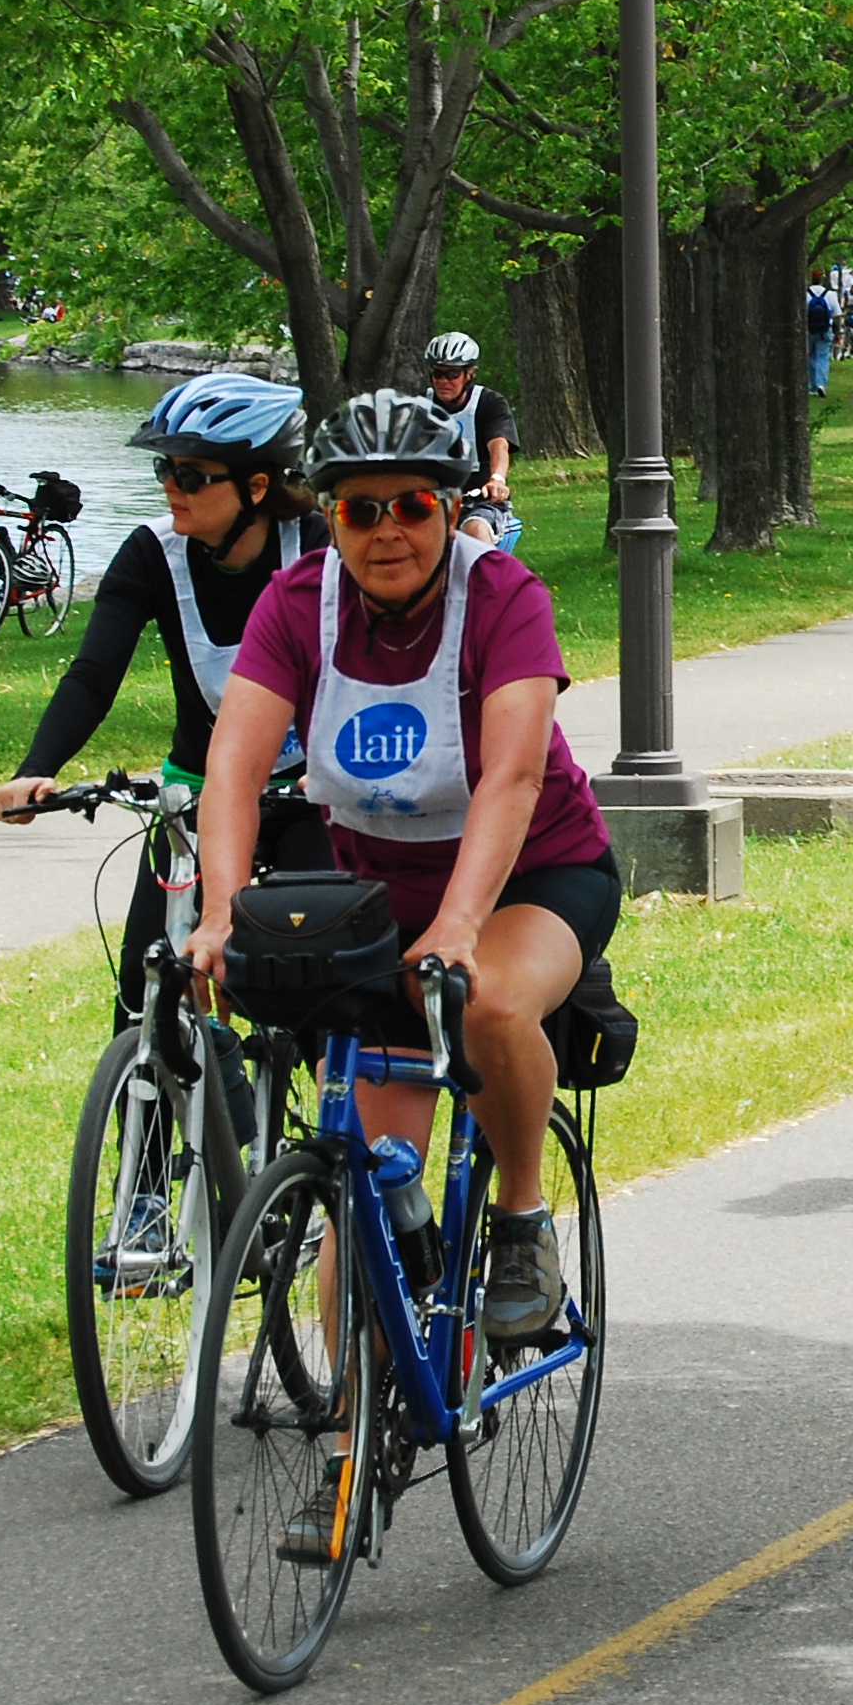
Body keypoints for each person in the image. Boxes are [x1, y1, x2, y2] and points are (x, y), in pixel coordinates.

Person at [184, 390, 619, 1381]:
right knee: (368, 1187)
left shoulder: (504, 596)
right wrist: (216, 915)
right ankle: (347, 1452)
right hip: (381, 899)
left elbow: (510, 777)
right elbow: (232, 772)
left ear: (447, 504)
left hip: (538, 875)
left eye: (413, 506)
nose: (387, 531)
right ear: (328, 516)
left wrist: (463, 923)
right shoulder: (297, 606)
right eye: (359, 510)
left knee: (492, 1003)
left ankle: (518, 1220)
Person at [0, 373, 331, 1014]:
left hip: (308, 794)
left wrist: (335, 768)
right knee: (146, 991)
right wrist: (36, 770)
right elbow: (93, 676)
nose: (173, 486)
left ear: (257, 486)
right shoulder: (151, 554)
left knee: (309, 984)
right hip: (198, 793)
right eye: (165, 471)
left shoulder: (316, 548)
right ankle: (149, 1105)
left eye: (193, 475)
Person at [422, 331, 520, 534]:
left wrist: (497, 479)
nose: (443, 381)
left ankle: (485, 565)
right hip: (433, 503)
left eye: (452, 374)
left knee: (475, 530)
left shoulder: (489, 403)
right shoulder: (420, 407)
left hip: (481, 501)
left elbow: (499, 444)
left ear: (469, 375)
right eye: (437, 374)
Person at [806, 270, 843, 396]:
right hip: (825, 330)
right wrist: (838, 332)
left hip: (809, 330)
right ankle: (821, 384)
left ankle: (813, 386)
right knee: (823, 356)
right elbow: (837, 315)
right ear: (822, 280)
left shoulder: (805, 294)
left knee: (810, 356)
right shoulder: (830, 294)